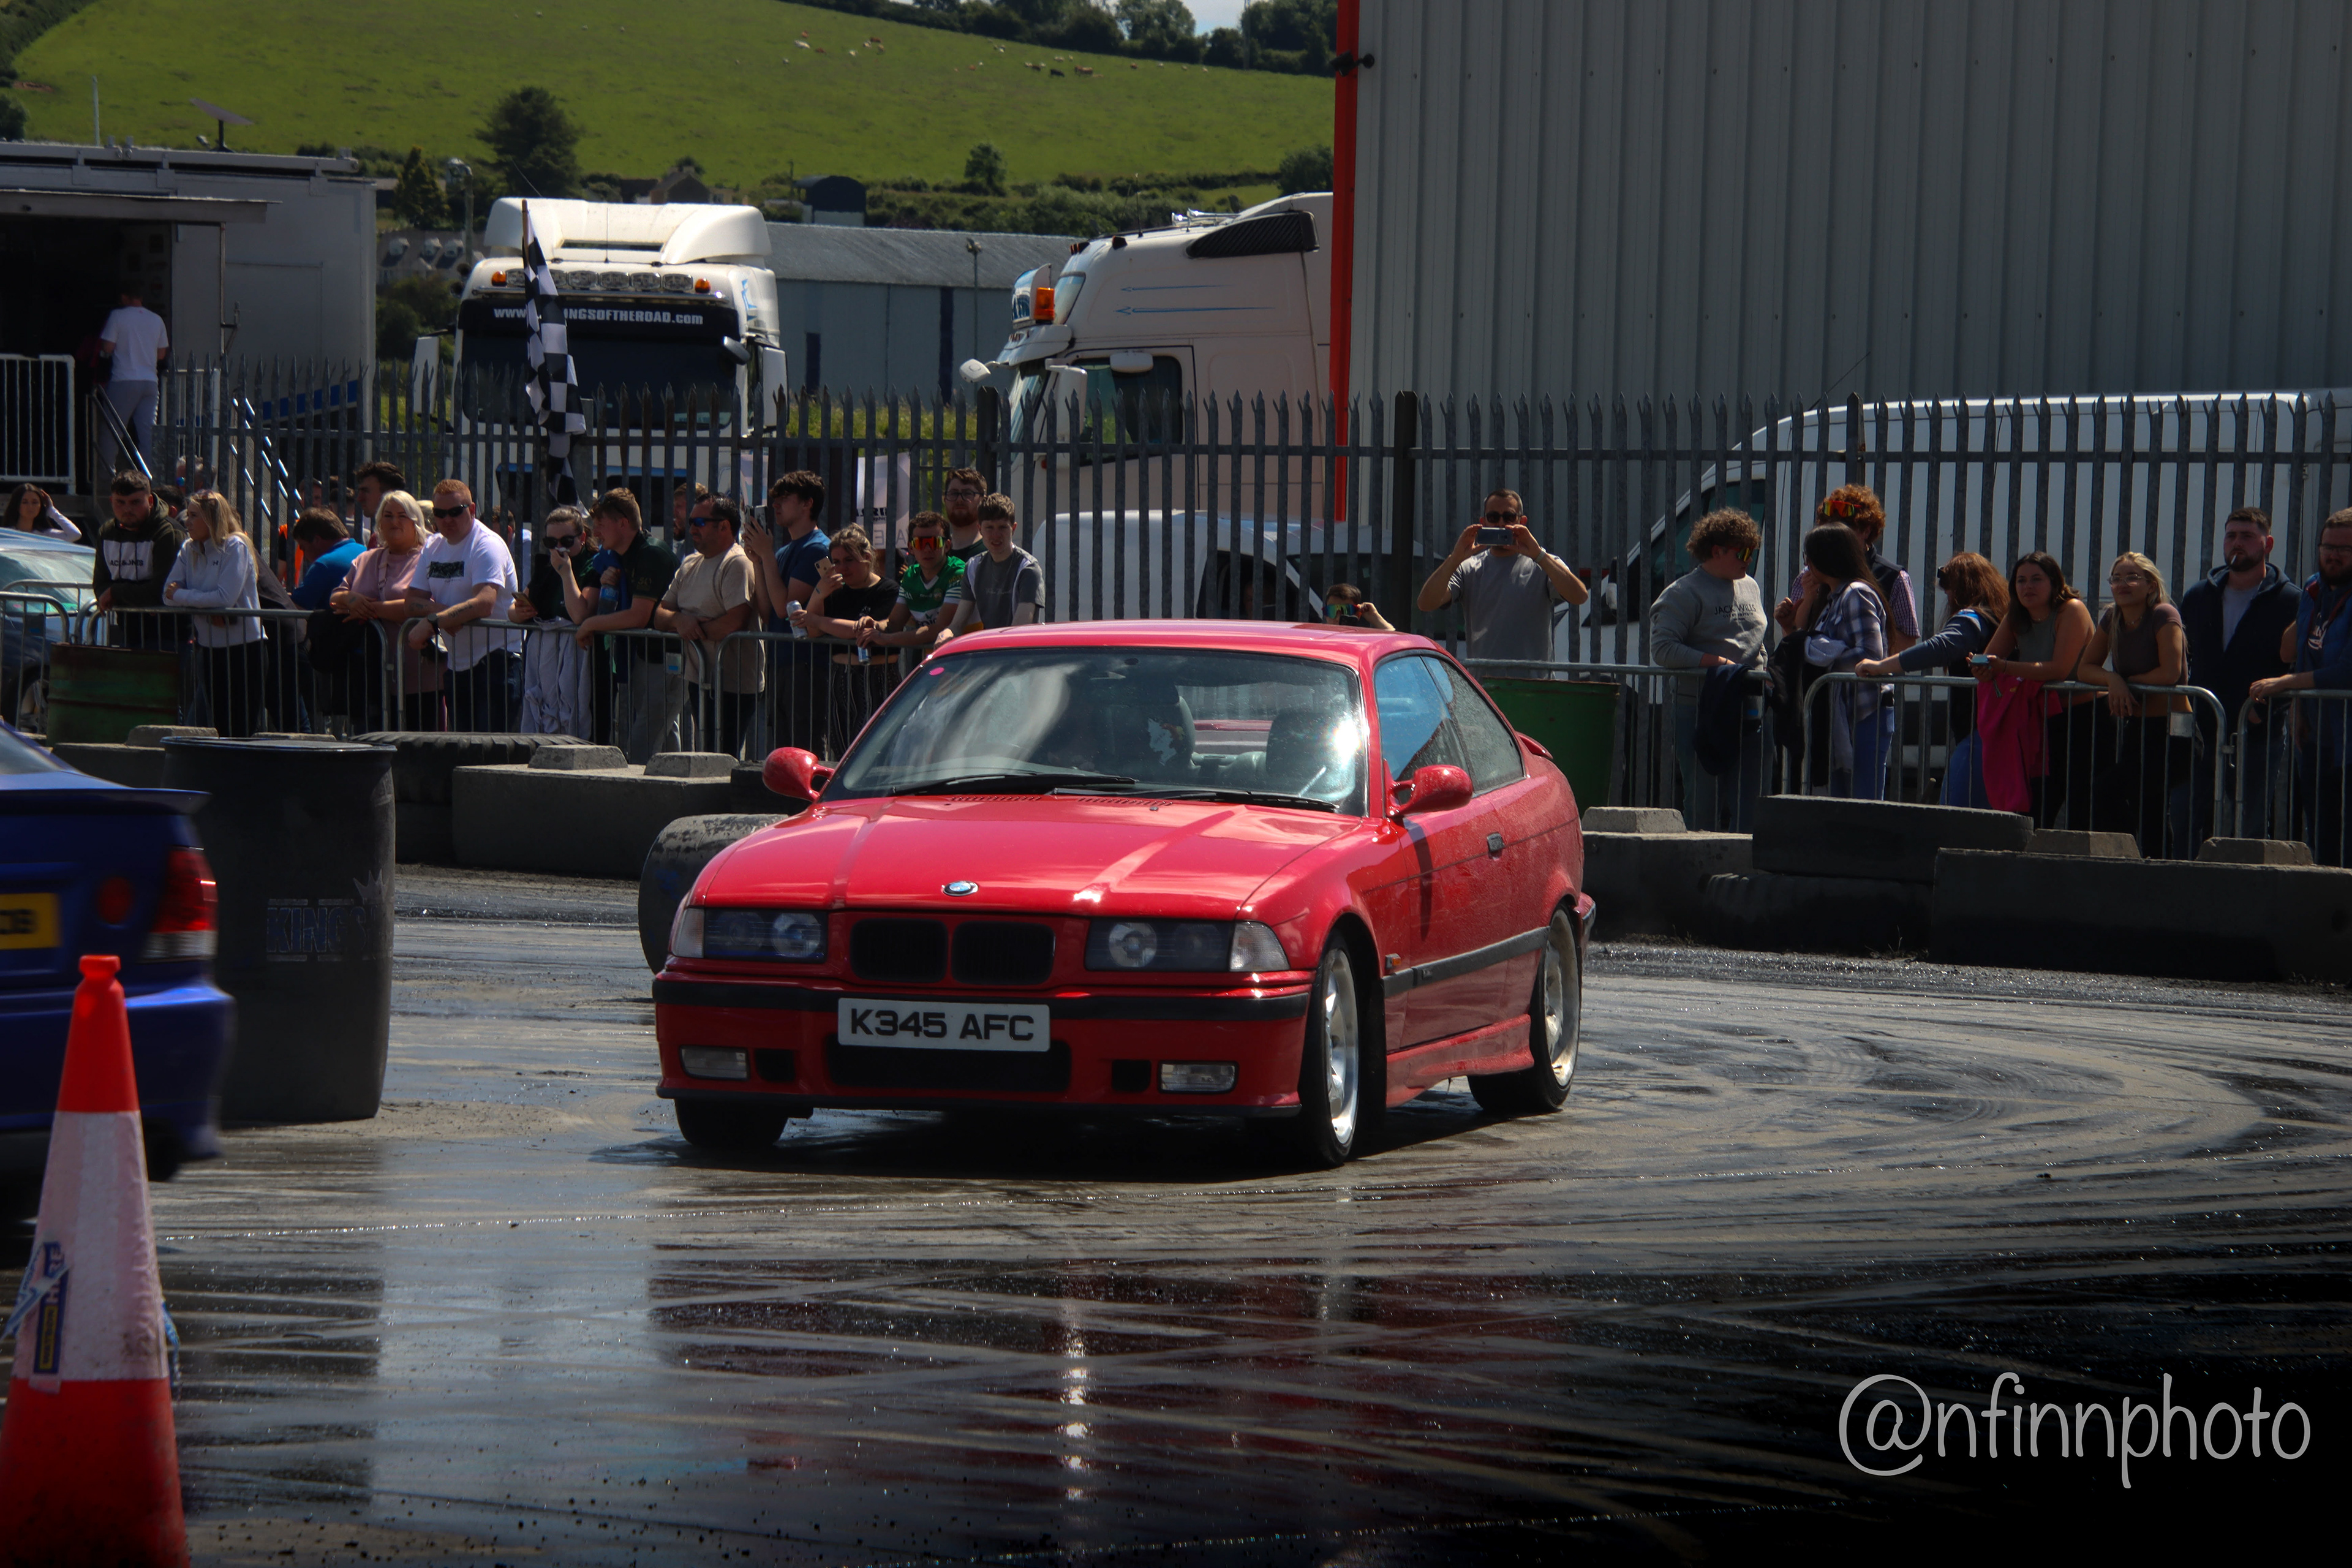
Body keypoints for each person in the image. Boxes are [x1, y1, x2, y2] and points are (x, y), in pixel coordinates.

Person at [2179, 506, 2301, 842]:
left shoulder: (2290, 600)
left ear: (2268, 544)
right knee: (2188, 819)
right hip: (2202, 730)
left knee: (2251, 824)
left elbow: (2298, 666)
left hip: (2257, 732)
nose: (2237, 543)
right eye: (2231, 536)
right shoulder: (2199, 595)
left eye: (2247, 536)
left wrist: (2266, 712)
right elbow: (2184, 656)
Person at [1649, 508, 1770, 828]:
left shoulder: (1750, 586)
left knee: (1751, 802)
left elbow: (1755, 639)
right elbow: (1663, 649)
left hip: (1751, 708)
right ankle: (1699, 859)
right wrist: (1720, 665)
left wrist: (1765, 670)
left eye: (1752, 552)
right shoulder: (1683, 593)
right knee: (1704, 801)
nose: (1748, 560)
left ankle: (1747, 858)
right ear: (1717, 551)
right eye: (1742, 553)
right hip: (1702, 709)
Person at [1856, 552, 2008, 807]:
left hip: (1982, 733)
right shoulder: (1998, 618)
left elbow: (1940, 647)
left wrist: (1881, 665)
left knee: (1957, 813)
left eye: (1948, 585)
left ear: (1963, 586)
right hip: (2000, 729)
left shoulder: (1973, 619)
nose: (1946, 593)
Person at [2249, 508, 2352, 866]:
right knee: (2321, 832)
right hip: (2318, 736)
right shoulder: (2314, 588)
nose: (2333, 555)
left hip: (2347, 735)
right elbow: (2289, 652)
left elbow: (2346, 672)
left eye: (2344, 549)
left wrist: (2287, 683)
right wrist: (2298, 705)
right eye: (2327, 547)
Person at [2074, 552, 2192, 855]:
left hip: (2173, 731)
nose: (2122, 584)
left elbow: (2170, 673)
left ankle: (2151, 867)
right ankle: (2133, 862)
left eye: (2132, 577)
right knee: (2130, 800)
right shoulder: (2112, 617)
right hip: (2138, 728)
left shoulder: (2163, 614)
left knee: (2140, 801)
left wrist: (2127, 683)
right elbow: (2085, 668)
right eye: (2116, 578)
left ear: (2151, 585)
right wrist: (2113, 680)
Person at [1978, 551, 2098, 828]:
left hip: (2084, 718)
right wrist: (1982, 668)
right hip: (2041, 719)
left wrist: (2003, 667)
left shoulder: (2072, 609)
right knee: (2037, 802)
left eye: (2036, 579)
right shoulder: (2016, 615)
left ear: (2055, 583)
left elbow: (2059, 670)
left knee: (2082, 805)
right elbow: (1989, 659)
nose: (2028, 587)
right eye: (2021, 581)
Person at [559, 488, 677, 760]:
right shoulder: (621, 556)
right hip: (645, 657)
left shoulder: (651, 554)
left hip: (666, 660)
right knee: (665, 740)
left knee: (643, 742)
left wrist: (590, 625)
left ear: (623, 523)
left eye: (601, 523)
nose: (595, 531)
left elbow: (639, 616)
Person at [1413, 487, 1588, 663]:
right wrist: (1455, 558)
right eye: (1493, 517)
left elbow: (1580, 596)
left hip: (1533, 679)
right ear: (1483, 522)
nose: (1501, 523)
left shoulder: (1543, 563)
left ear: (1522, 521)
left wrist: (1538, 555)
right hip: (1483, 679)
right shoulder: (1468, 568)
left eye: (1509, 517)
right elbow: (1426, 603)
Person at [404, 479, 524, 734]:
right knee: (462, 747)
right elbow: (412, 601)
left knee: (493, 749)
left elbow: (484, 603)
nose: (447, 519)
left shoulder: (487, 544)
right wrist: (445, 615)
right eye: (440, 513)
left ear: (471, 510)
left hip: (496, 662)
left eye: (455, 512)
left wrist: (434, 622)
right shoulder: (433, 546)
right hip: (458, 664)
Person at [657, 495, 763, 758]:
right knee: (705, 753)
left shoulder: (737, 563)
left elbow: (734, 622)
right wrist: (680, 621)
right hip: (700, 679)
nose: (692, 528)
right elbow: (659, 615)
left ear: (724, 526)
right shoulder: (690, 563)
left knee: (722, 758)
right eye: (691, 522)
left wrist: (690, 630)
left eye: (700, 522)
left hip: (732, 683)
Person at [1790, 523, 1890, 799]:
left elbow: (1870, 655)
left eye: (1809, 557)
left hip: (1864, 713)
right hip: (1841, 714)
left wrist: (1821, 660)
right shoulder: (1832, 598)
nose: (1807, 565)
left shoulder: (1856, 594)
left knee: (1863, 804)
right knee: (1839, 803)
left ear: (1826, 558)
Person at [161, 491, 264, 737]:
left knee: (241, 725)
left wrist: (183, 595)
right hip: (208, 648)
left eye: (194, 516)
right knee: (218, 724)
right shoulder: (188, 548)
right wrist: (203, 605)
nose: (187, 521)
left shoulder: (235, 545)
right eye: (188, 515)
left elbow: (224, 597)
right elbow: (166, 595)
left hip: (244, 648)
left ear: (212, 518)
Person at [333, 491, 437, 731]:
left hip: (421, 678)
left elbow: (422, 607)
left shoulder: (429, 560)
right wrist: (350, 598)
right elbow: (335, 598)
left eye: (402, 516)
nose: (394, 522)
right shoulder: (365, 559)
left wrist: (369, 609)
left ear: (416, 522)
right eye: (388, 515)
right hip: (371, 678)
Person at [744, 470, 831, 754]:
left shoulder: (817, 548)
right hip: (781, 662)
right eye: (775, 499)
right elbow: (766, 611)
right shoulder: (782, 552)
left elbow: (786, 608)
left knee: (804, 748)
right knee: (782, 748)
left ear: (807, 503)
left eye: (784, 498)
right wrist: (758, 561)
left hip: (806, 664)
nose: (776, 505)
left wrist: (767, 555)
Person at [804, 524, 900, 756]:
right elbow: (812, 631)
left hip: (878, 678)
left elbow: (862, 631)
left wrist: (817, 620)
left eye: (849, 560)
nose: (842, 568)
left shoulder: (887, 589)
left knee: (873, 751)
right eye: (836, 562)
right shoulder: (836, 591)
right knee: (842, 751)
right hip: (841, 678)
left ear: (867, 558)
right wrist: (819, 593)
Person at [510, 505, 596, 737]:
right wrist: (520, 612)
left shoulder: (593, 564)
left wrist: (566, 573)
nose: (559, 548)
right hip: (544, 655)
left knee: (572, 711)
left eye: (566, 541)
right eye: (551, 542)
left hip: (577, 656)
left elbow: (579, 615)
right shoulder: (546, 566)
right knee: (543, 713)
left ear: (582, 538)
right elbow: (512, 611)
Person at [91, 470, 185, 651]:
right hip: (127, 633)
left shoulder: (168, 532)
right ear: (111, 501)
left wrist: (115, 592)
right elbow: (100, 584)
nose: (127, 510)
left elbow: (161, 591)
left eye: (135, 502)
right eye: (120, 502)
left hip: (170, 636)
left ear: (150, 501)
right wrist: (112, 593)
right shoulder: (107, 532)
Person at [938, 494, 1042, 641]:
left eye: (1002, 528)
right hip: (990, 649)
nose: (996, 535)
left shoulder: (1028, 568)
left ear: (1013, 528)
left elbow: (1019, 630)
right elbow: (957, 625)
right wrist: (945, 635)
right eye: (989, 528)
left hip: (1020, 649)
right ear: (980, 529)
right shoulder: (973, 567)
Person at [864, 511, 965, 659]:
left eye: (935, 542)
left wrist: (886, 639)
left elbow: (940, 628)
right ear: (911, 548)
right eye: (920, 543)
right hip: (935, 658)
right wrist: (875, 625)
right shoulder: (910, 576)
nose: (928, 549)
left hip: (964, 657)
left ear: (947, 545)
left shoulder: (958, 572)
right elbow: (894, 624)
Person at [97, 285, 168, 474]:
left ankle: (107, 474)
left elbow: (108, 347)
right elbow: (162, 354)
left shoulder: (118, 316)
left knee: (112, 429)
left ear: (124, 297)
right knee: (148, 432)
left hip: (124, 380)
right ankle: (150, 475)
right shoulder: (156, 319)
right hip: (150, 382)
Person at [287, 509, 364, 611]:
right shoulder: (365, 551)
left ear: (317, 540)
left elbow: (296, 606)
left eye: (303, 548)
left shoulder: (324, 565)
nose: (305, 556)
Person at [349, 461, 406, 545]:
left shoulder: (413, 540)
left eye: (365, 491)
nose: (359, 499)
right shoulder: (377, 539)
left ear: (388, 494)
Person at [941, 467, 987, 562]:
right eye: (953, 494)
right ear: (945, 500)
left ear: (983, 500)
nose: (959, 500)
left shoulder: (992, 552)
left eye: (968, 494)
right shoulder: (933, 553)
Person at [7, 483, 80, 541]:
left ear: (41, 506)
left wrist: (52, 511)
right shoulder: (8, 534)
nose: (30, 507)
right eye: (25, 502)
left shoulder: (46, 535)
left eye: (35, 502)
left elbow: (75, 535)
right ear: (16, 505)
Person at [1321, 582, 1395, 631]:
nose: (1338, 618)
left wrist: (1376, 617)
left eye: (1346, 611)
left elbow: (1395, 641)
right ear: (1326, 615)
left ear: (1358, 614)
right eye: (1332, 611)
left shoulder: (1363, 640)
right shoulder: (1318, 638)